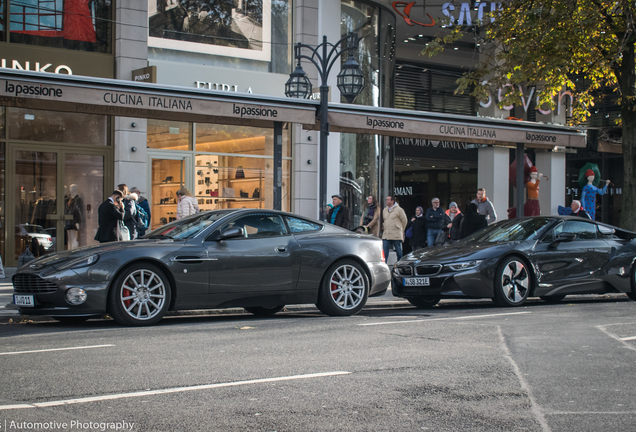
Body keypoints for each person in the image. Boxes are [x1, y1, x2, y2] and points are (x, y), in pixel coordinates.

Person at [382, 195, 408, 262]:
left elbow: (404, 221)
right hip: (386, 234)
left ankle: (400, 263)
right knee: (385, 250)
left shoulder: (399, 210)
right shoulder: (385, 210)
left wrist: (401, 230)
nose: (386, 201)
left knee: (398, 250)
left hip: (396, 233)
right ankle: (384, 264)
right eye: (386, 199)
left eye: (388, 199)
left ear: (392, 201)